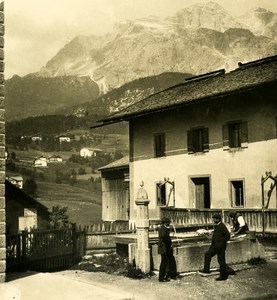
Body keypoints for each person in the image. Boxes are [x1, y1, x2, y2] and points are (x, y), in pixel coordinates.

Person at [199, 213, 230, 281]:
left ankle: (223, 276)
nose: (213, 220)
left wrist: (221, 243)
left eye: (214, 219)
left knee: (221, 261)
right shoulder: (217, 226)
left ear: (218, 219)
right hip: (215, 246)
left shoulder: (222, 226)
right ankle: (206, 270)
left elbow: (228, 236)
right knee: (207, 254)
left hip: (220, 247)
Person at [158, 217, 177, 282]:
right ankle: (162, 277)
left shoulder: (162, 228)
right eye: (168, 223)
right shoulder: (163, 229)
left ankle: (166, 276)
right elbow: (164, 238)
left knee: (167, 261)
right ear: (165, 223)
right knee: (164, 263)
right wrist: (168, 231)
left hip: (164, 248)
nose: (169, 224)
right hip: (164, 248)